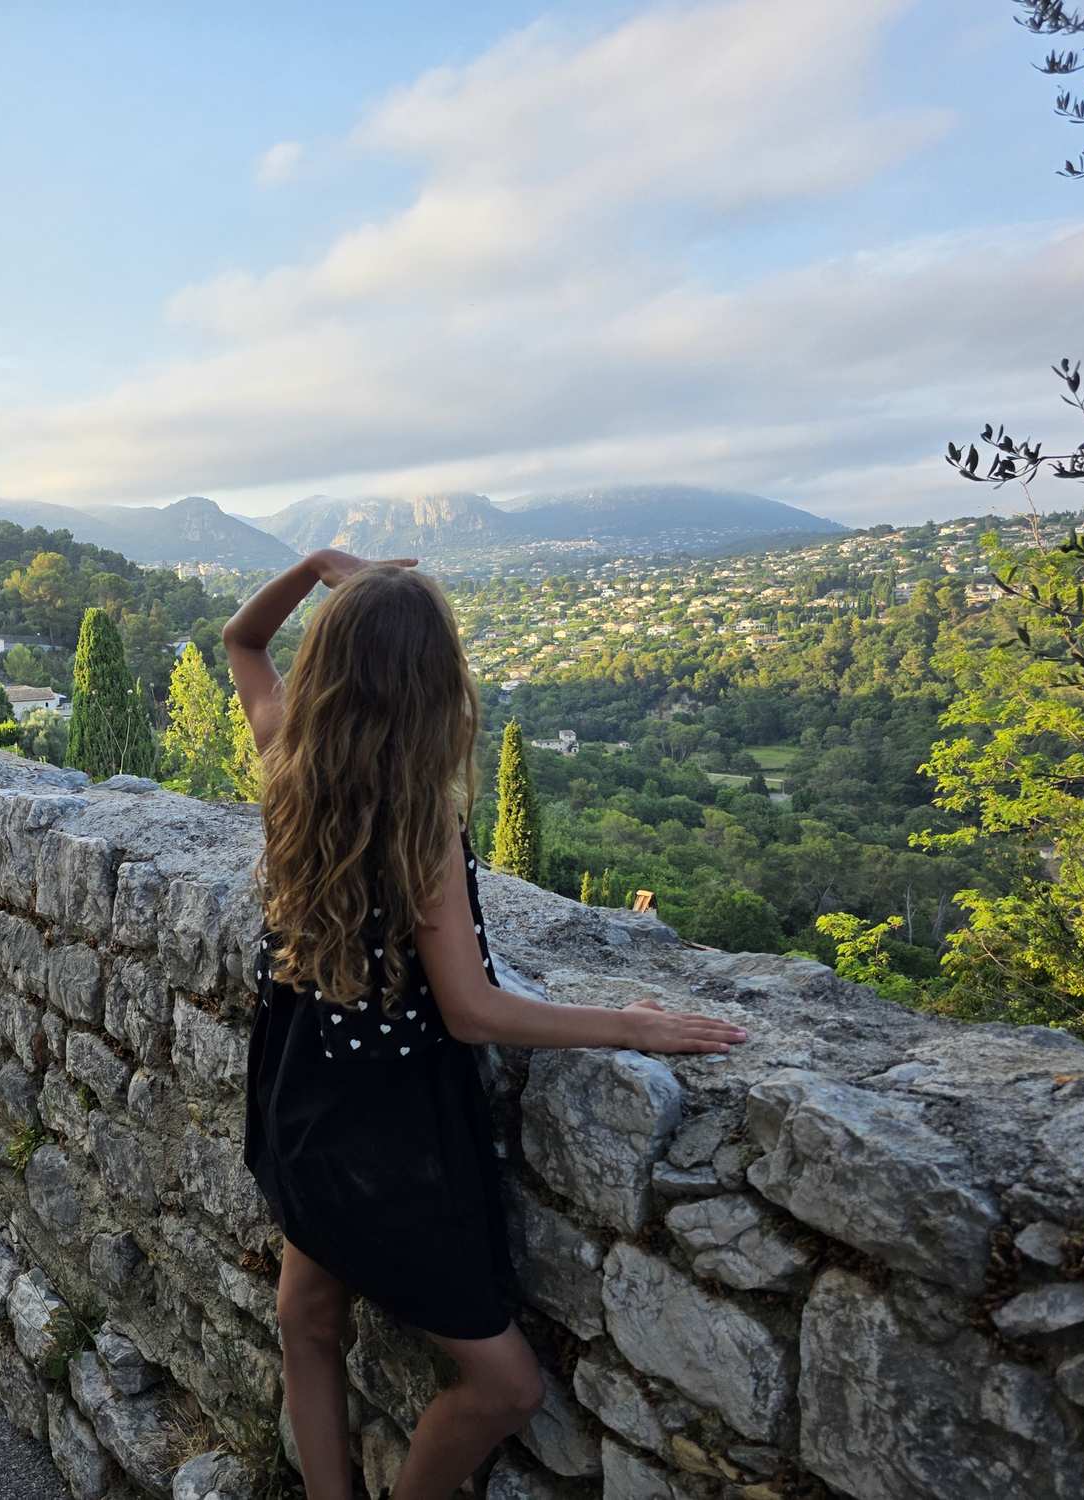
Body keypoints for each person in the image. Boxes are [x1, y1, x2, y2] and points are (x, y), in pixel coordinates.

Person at [224, 550, 748, 1500]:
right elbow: (471, 1012)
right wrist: (625, 1025)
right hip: (389, 1138)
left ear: (334, 674)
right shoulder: (420, 828)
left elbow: (242, 639)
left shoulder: (289, 768)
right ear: (430, 689)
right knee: (505, 1386)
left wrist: (313, 570)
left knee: (307, 1317)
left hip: (299, 1100)